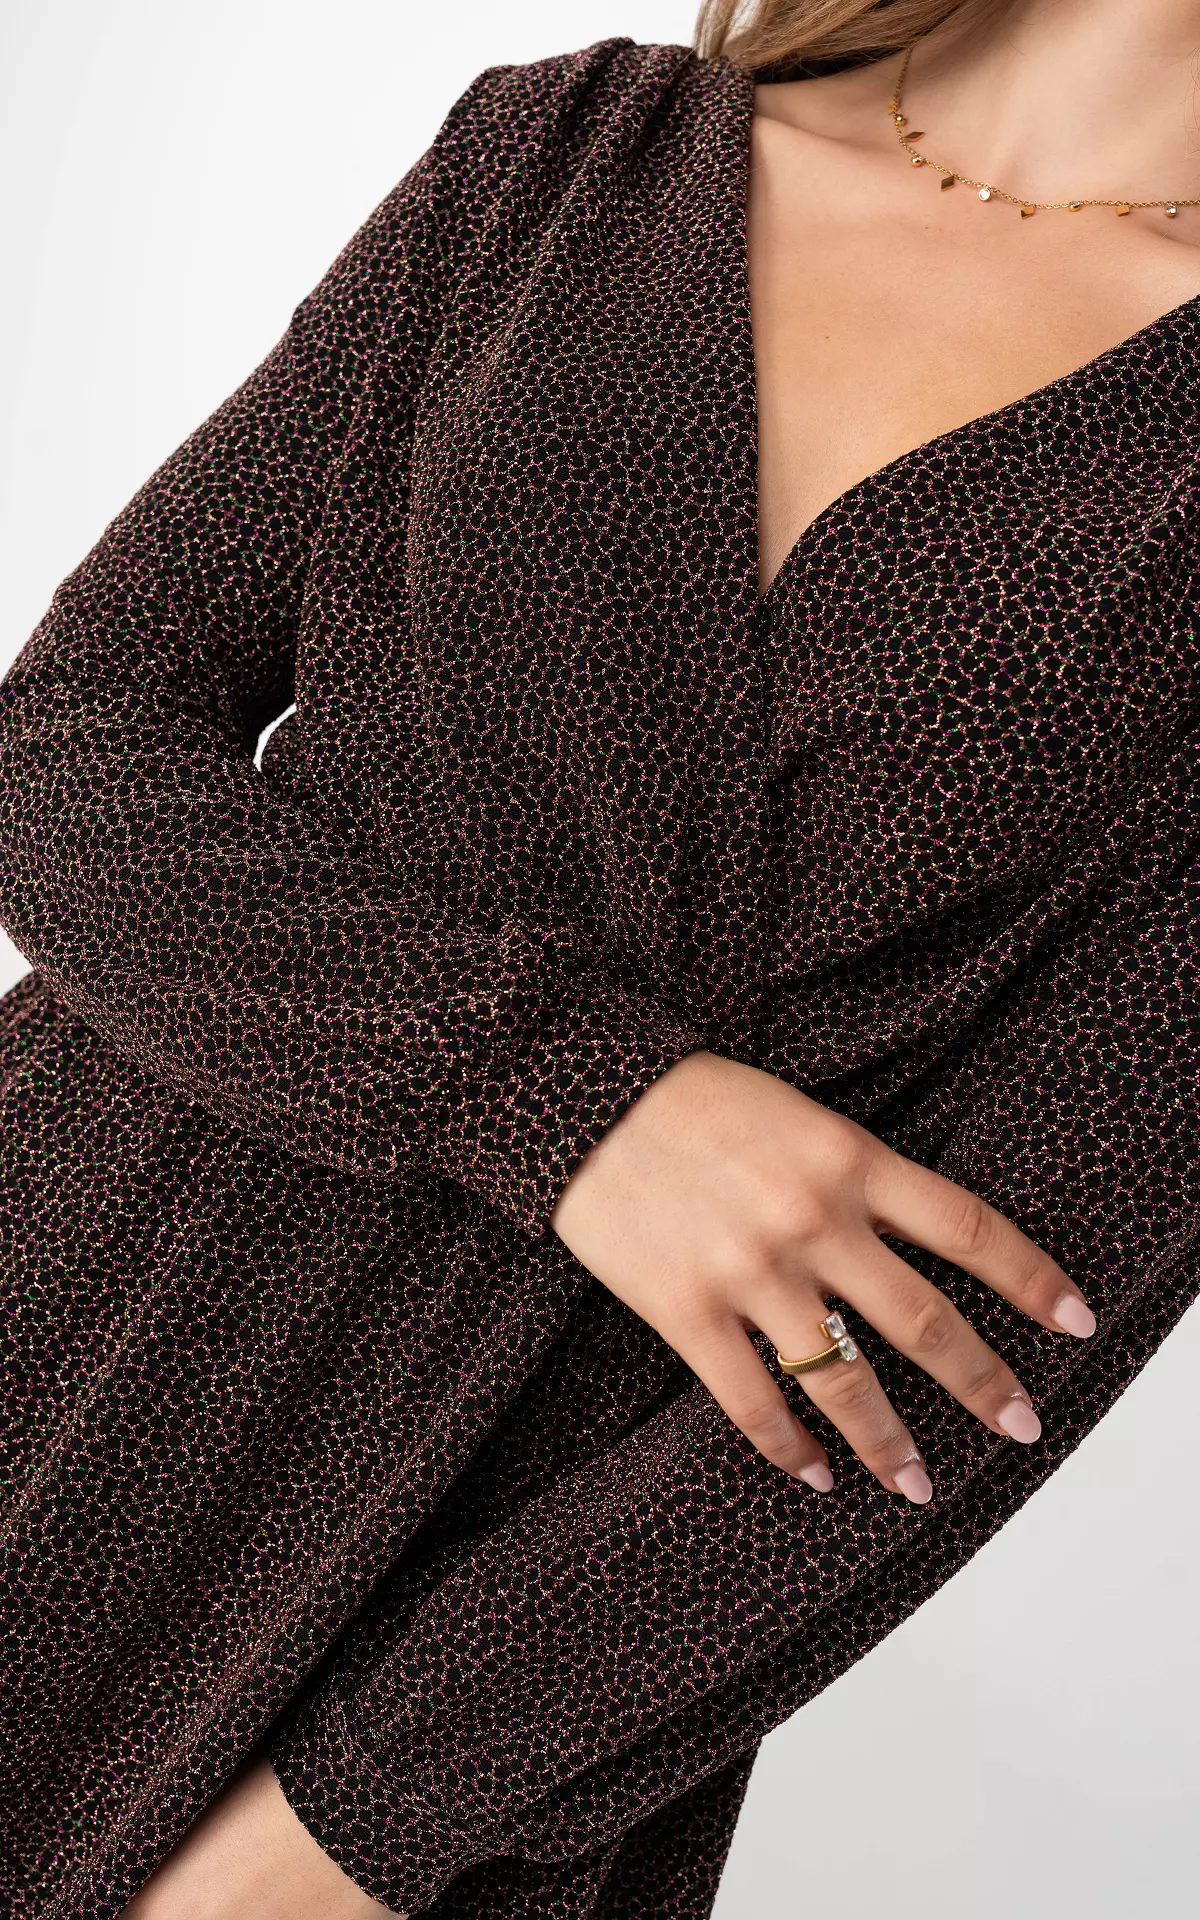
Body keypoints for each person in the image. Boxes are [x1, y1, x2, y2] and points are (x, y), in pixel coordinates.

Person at [0, 0, 1196, 1912]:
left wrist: (356, 1831)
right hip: (60, 1286)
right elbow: (64, 745)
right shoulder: (570, 160)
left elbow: (986, 1334)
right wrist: (573, 1105)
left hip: (480, 1627)